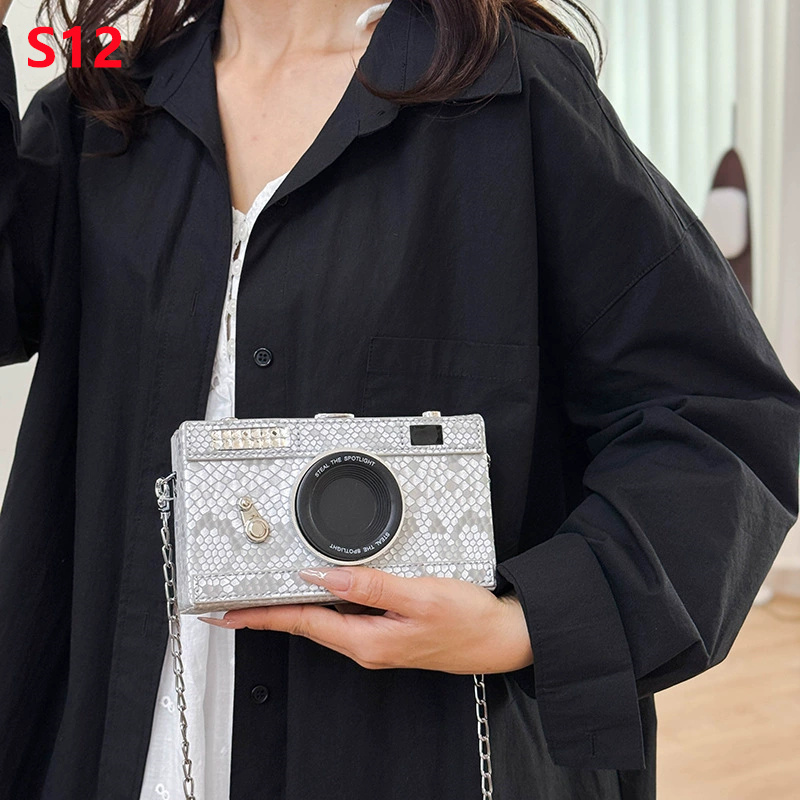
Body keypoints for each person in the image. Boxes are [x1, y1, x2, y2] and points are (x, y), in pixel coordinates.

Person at [1, 0, 799, 797]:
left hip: (422, 750)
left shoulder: (517, 99)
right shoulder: (102, 109)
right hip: (128, 743)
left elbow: (719, 419)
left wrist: (527, 623)